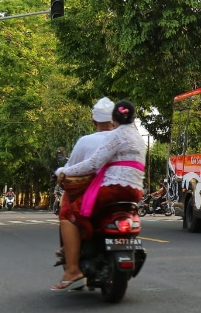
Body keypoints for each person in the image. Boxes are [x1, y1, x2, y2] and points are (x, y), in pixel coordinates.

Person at [52, 99, 146, 291]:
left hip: (112, 188)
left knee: (70, 213)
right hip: (135, 191)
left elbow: (92, 165)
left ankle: (72, 268)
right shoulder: (137, 137)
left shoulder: (108, 137)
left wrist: (62, 172)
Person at [54, 97, 115, 266]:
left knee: (67, 212)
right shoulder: (127, 139)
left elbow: (71, 167)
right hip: (126, 193)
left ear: (94, 121)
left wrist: (60, 174)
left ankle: (71, 262)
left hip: (93, 195)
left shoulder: (85, 141)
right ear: (114, 120)